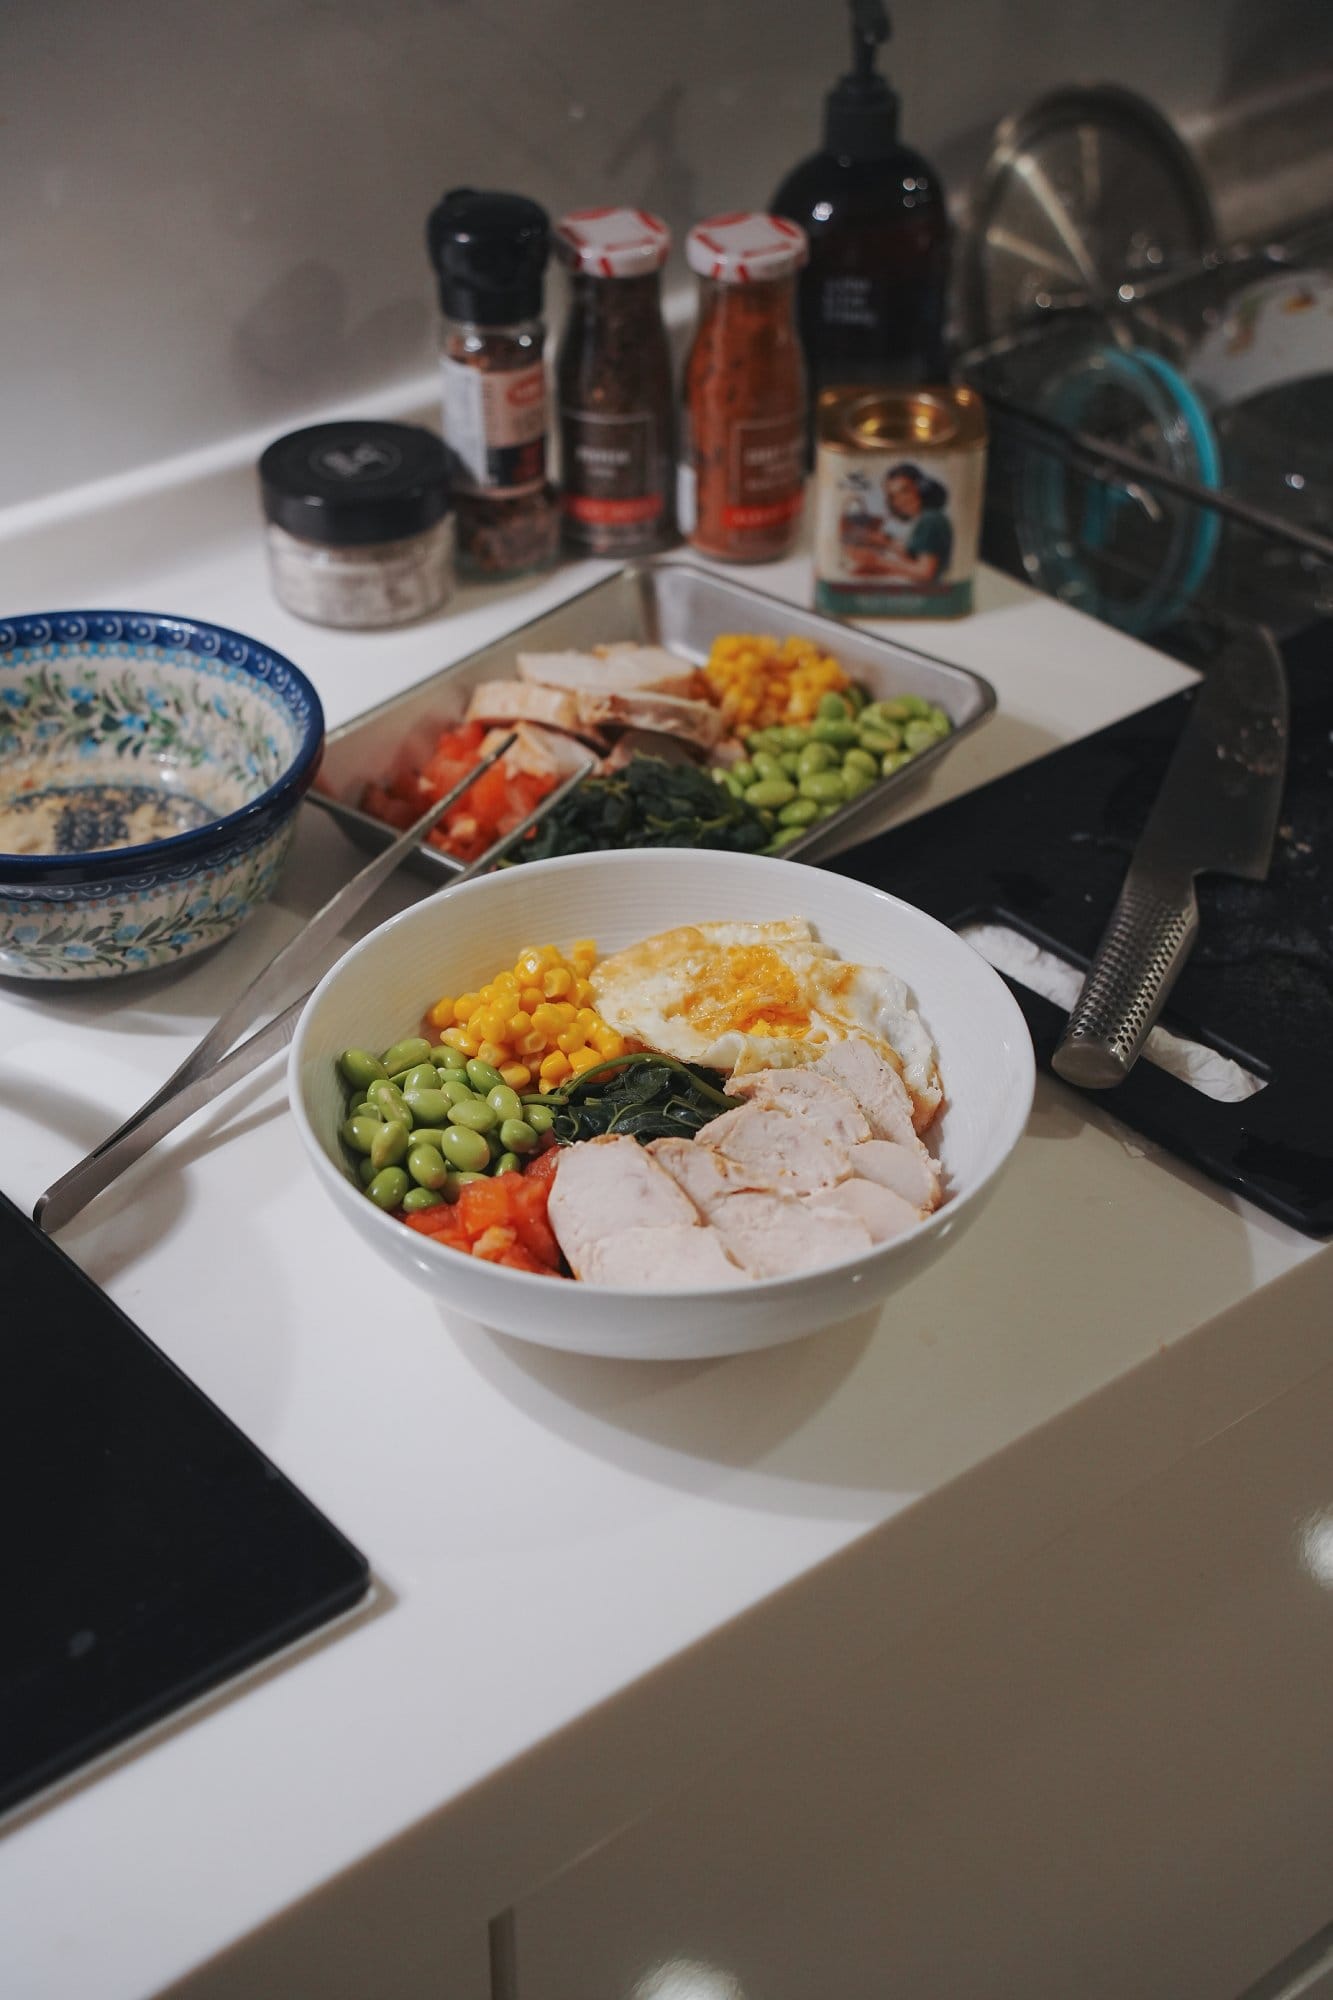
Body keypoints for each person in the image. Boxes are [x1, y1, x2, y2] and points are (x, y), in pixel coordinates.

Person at [846, 462, 953, 586]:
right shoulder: (930, 517)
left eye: (905, 490)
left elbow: (925, 573)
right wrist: (886, 542)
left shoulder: (930, 520)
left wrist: (876, 562)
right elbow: (914, 557)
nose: (900, 500)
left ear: (922, 489)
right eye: (893, 496)